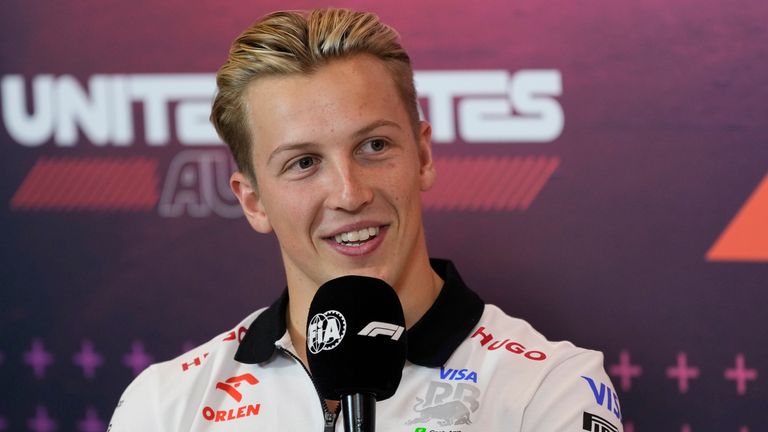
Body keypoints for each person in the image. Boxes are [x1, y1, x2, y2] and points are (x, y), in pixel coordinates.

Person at [109, 8, 624, 431]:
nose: (350, 194)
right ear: (253, 201)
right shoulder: (166, 405)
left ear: (422, 156)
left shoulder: (548, 387)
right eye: (303, 163)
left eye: (374, 146)